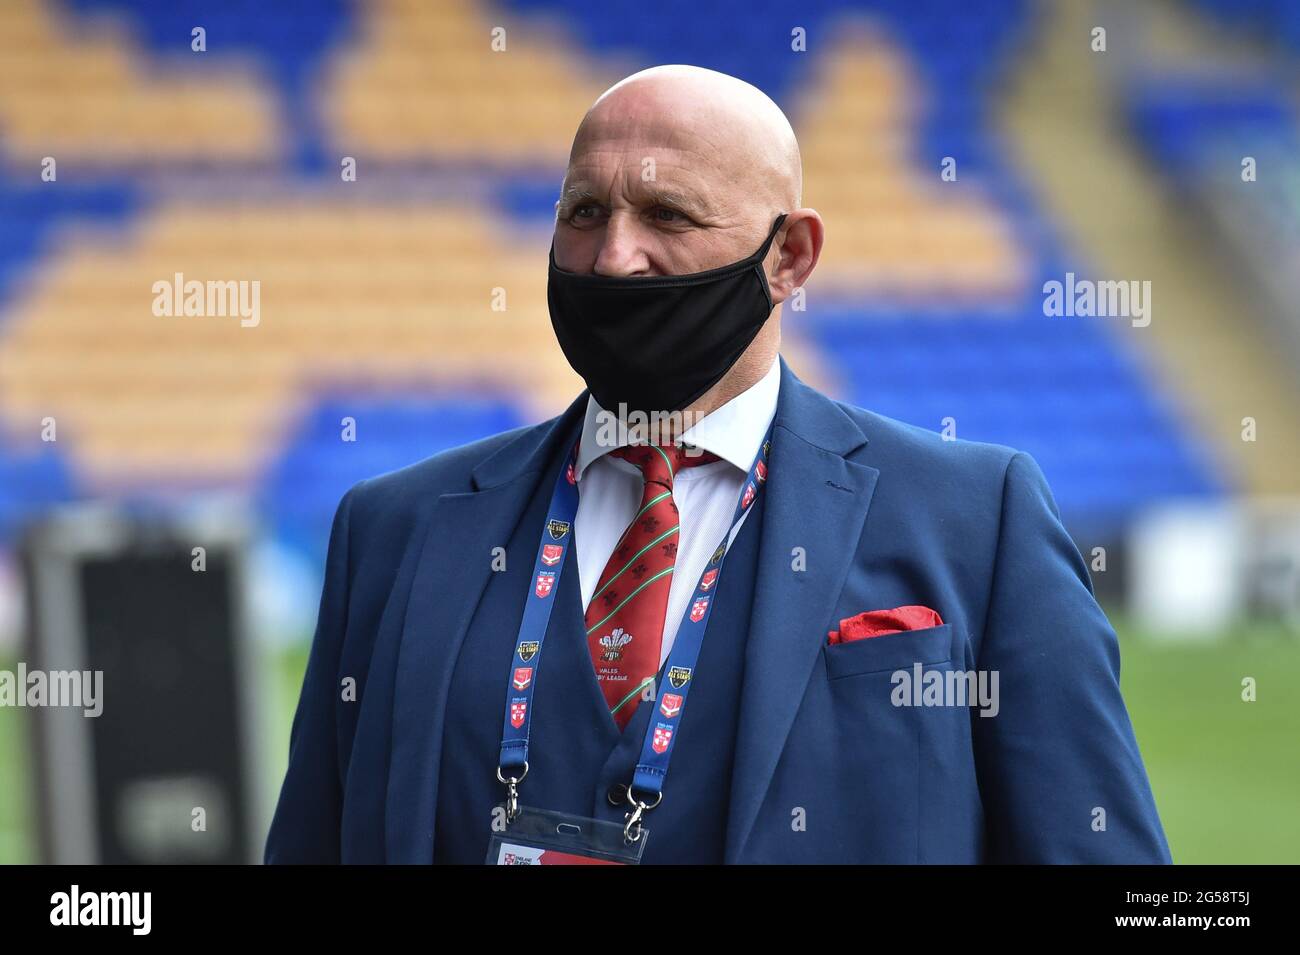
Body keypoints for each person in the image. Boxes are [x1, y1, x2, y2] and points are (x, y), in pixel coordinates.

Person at [265, 65, 1171, 864]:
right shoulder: (392, 531)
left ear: (790, 255)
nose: (614, 258)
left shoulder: (979, 521)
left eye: (666, 213)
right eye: (584, 213)